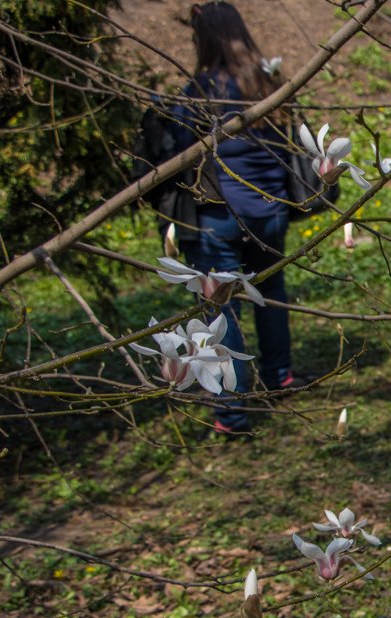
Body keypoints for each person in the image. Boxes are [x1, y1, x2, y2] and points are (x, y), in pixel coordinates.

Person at [170, 0, 299, 434]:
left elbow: (180, 156)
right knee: (270, 293)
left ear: (203, 39)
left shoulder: (200, 92)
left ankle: (232, 409)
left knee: (220, 312)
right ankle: (280, 375)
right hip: (271, 210)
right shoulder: (270, 82)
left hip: (220, 216)